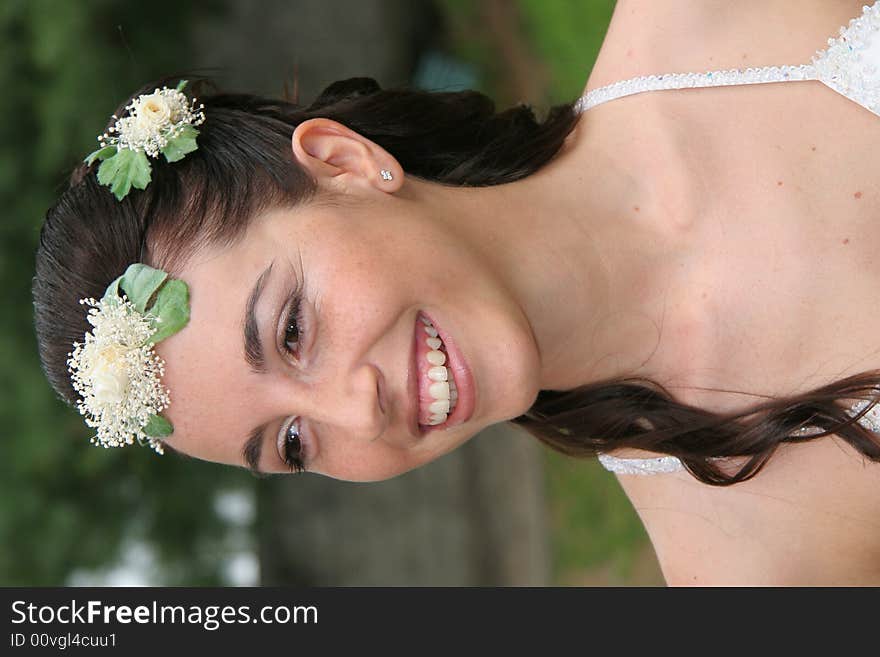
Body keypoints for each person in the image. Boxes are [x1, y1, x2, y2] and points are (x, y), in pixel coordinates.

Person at [34, 1, 880, 584]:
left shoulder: (704, 17)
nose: (358, 414)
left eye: (292, 329)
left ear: (344, 162)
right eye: (293, 442)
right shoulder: (752, 570)